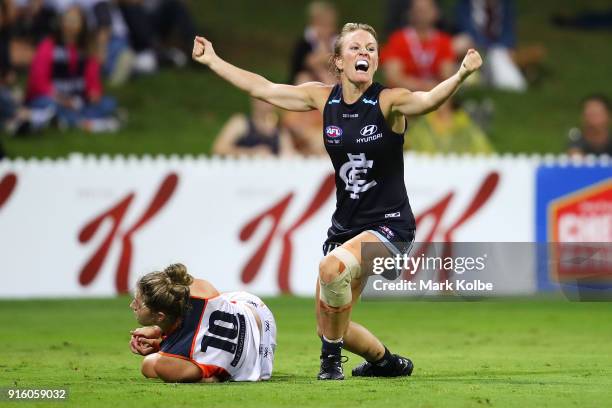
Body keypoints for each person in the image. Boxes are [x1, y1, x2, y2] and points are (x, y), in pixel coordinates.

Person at [192, 22, 482, 380]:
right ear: (338, 61)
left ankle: (329, 367)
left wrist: (461, 75)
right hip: (346, 227)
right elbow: (264, 89)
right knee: (331, 326)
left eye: (372, 49)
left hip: (390, 227)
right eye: (356, 48)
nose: (365, 53)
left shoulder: (388, 101)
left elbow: (426, 101)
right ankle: (386, 363)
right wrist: (214, 61)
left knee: (331, 269)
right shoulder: (321, 98)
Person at [129, 263, 276, 383]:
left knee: (149, 365)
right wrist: (160, 332)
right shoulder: (197, 288)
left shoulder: (163, 364)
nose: (132, 306)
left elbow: (212, 379)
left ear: (160, 316)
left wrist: (163, 344)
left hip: (256, 361)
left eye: (137, 303)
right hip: (256, 311)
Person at [25, 5, 120, 132]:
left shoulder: (87, 49)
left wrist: (94, 92)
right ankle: (84, 122)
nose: (69, 25)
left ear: (82, 25)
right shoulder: (48, 46)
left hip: (78, 100)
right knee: (47, 105)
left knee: (108, 103)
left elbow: (92, 80)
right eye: (67, 20)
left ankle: (69, 121)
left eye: (74, 21)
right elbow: (38, 82)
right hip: (55, 98)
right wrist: (63, 100)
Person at [380, 0, 456, 92]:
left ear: (437, 12)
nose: (422, 14)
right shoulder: (398, 39)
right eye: (418, 10)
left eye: (426, 9)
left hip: (435, 96)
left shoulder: (444, 41)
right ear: (410, 13)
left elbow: (448, 77)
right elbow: (393, 77)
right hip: (404, 95)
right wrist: (423, 87)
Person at [212, 97, 296, 157]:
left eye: (271, 99)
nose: (268, 104)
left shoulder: (280, 129)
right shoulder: (240, 122)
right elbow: (218, 149)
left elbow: (288, 154)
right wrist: (250, 153)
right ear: (253, 100)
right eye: (263, 100)